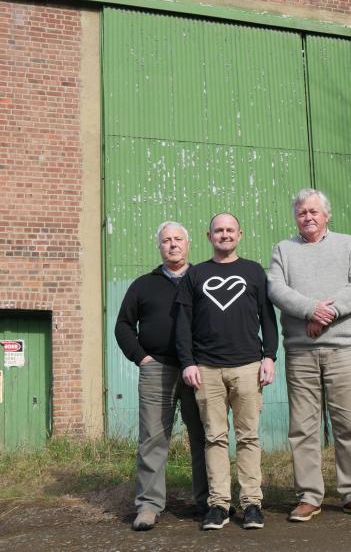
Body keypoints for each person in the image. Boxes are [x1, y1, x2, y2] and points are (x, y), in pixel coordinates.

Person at [267, 188, 351, 522]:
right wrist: (311, 311)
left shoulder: (347, 244)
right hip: (301, 353)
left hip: (342, 349)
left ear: (326, 215)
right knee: (303, 427)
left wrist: (327, 315)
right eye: (302, 212)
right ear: (295, 217)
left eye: (314, 211)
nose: (308, 217)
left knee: (348, 424)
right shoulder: (283, 250)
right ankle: (309, 496)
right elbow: (276, 289)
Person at [175, 213, 278, 531]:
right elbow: (183, 324)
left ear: (240, 234)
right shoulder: (196, 275)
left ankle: (251, 505)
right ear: (209, 237)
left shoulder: (253, 272)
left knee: (249, 438)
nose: (224, 234)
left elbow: (267, 317)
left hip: (248, 366)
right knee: (214, 439)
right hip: (207, 369)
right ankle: (219, 504)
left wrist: (270, 356)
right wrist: (188, 362)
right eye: (218, 230)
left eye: (229, 230)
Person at [114, 221, 208, 531]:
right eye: (166, 240)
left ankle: (208, 501)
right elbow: (123, 326)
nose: (172, 245)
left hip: (198, 369)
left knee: (204, 437)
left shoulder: (202, 279)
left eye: (178, 239)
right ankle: (149, 505)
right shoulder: (143, 285)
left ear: (188, 243)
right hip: (157, 370)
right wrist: (142, 358)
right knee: (153, 439)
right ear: (159, 246)